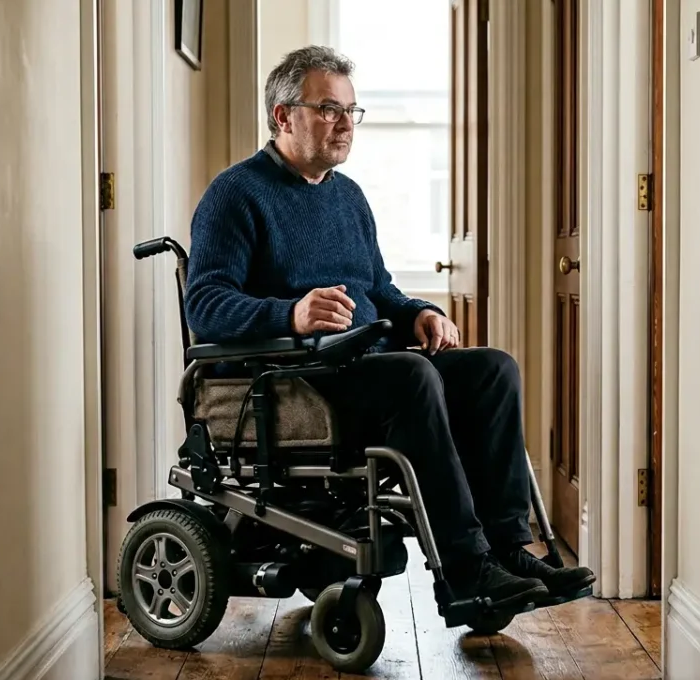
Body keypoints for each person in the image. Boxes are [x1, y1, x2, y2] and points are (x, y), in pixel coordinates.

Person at [183, 45, 595, 615]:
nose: (346, 124)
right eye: (329, 109)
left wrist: (417, 313)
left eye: (353, 111)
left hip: (362, 363)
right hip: (292, 380)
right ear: (283, 116)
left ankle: (507, 549)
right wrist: (291, 314)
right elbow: (204, 303)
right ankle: (464, 571)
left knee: (492, 368)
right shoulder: (235, 195)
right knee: (410, 374)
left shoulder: (348, 197)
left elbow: (377, 287)